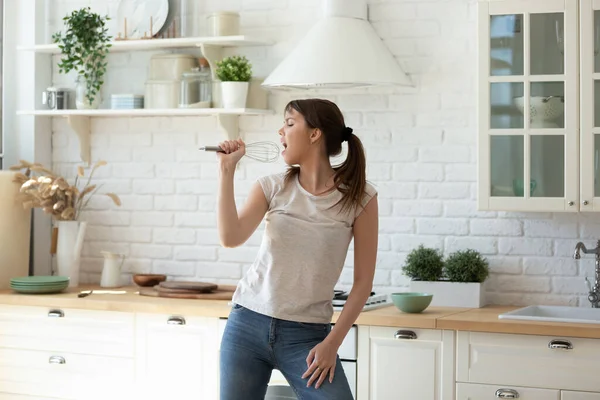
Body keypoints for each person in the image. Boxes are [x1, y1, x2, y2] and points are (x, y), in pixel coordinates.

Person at [217, 98, 378, 400]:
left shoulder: (360, 197)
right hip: (247, 324)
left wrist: (332, 343)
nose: (281, 131)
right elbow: (230, 237)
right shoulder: (272, 187)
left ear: (315, 134)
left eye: (289, 124)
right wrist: (226, 171)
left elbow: (362, 284)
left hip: (307, 336)